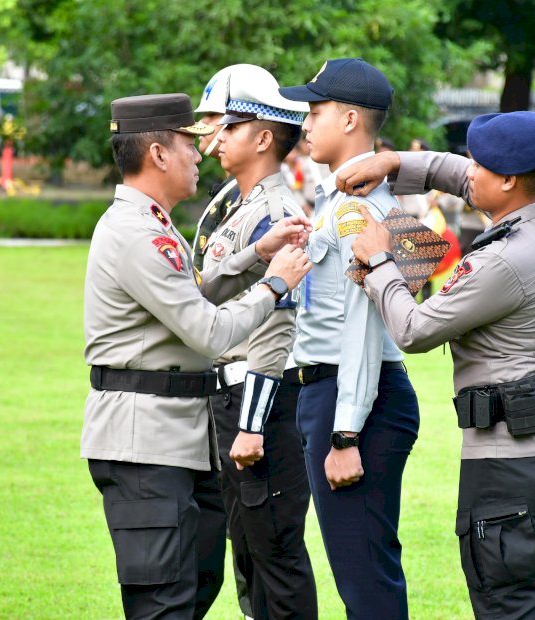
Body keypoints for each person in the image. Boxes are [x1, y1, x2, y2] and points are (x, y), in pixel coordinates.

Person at [336, 111, 535, 619]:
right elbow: (458, 176)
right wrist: (395, 162)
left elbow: (414, 330)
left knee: (508, 603)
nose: (468, 170)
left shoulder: (501, 261)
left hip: (510, 464)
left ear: (508, 180)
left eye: (480, 164)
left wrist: (378, 261)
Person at [82, 93, 311, 620]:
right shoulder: (138, 233)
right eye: (189, 141)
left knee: (189, 593)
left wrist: (256, 253)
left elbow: (195, 295)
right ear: (159, 153)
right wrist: (274, 284)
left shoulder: (155, 226)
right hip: (144, 442)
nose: (201, 150)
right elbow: (207, 330)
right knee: (163, 602)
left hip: (176, 440)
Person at [278, 58, 420, 619]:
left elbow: (363, 324)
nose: (306, 123)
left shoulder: (359, 208)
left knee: (365, 581)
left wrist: (344, 433)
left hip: (355, 398)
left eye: (315, 111)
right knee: (361, 571)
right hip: (342, 392)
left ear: (352, 119)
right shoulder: (339, 199)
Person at [194, 63, 318, 620]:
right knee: (248, 556)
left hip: (259, 405)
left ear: (264, 137)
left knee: (275, 558)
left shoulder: (275, 211)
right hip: (232, 399)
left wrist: (250, 423)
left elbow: (277, 327)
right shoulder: (241, 209)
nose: (214, 140)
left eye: (229, 127)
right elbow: (205, 289)